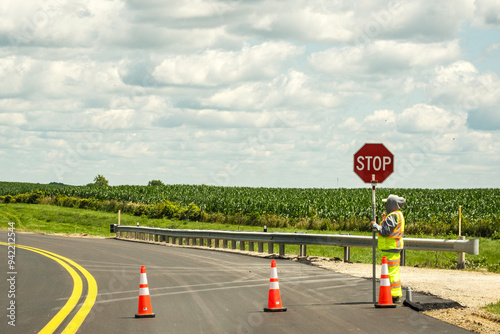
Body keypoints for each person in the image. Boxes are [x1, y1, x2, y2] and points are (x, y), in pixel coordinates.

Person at [371, 194, 406, 303]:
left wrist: (375, 225)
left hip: (390, 248)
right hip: (393, 248)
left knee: (390, 272)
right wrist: (384, 220)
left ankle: (393, 296)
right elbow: (390, 227)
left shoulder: (393, 216)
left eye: (387, 203)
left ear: (391, 204)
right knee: (393, 271)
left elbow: (385, 231)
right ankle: (394, 294)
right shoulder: (398, 215)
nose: (385, 205)